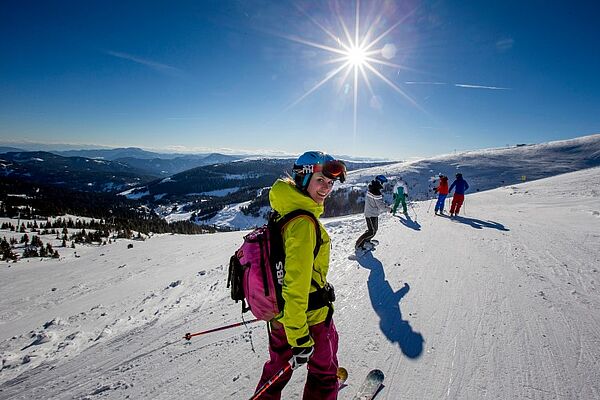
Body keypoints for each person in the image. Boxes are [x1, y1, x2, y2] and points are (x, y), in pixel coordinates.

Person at [255, 151, 346, 400]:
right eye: (320, 180)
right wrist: (299, 336)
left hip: (281, 315)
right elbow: (296, 284)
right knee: (324, 374)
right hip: (310, 317)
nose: (326, 188)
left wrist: (290, 327)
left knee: (276, 370)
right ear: (304, 179)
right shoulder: (304, 223)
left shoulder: (285, 209)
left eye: (330, 183)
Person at [355, 174, 390, 251]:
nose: (383, 185)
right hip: (370, 214)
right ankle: (358, 245)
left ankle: (366, 241)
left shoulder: (373, 188)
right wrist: (389, 209)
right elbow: (380, 206)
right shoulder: (375, 191)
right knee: (371, 231)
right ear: (380, 182)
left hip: (373, 213)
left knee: (374, 230)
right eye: (383, 183)